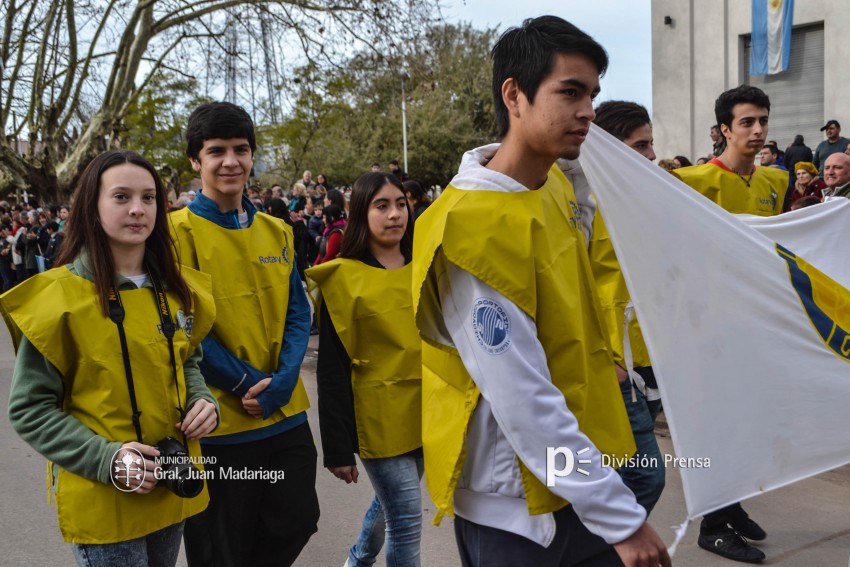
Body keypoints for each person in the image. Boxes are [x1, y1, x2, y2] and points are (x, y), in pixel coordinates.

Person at [412, 16, 670, 567]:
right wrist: (621, 519)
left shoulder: (550, 182)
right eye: (570, 92)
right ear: (515, 95)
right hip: (516, 508)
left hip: (576, 482)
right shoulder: (471, 225)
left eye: (593, 95)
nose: (588, 112)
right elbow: (520, 396)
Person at [2, 150, 219, 566]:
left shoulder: (175, 289)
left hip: (169, 486)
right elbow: (30, 409)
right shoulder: (58, 299)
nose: (138, 209)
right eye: (121, 197)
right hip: (102, 493)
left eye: (149, 197)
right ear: (93, 206)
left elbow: (187, 361)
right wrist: (110, 459)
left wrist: (203, 401)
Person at [169, 102, 319, 567]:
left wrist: (284, 380)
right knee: (222, 548)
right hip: (218, 423)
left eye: (240, 149)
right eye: (216, 151)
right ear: (196, 161)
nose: (230, 161)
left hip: (284, 414)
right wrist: (243, 384)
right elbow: (182, 325)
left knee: (298, 518)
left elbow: (298, 313)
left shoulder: (278, 230)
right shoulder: (174, 233)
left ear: (253, 156)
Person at [675, 84, 786, 563]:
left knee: (749, 421)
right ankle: (713, 526)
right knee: (718, 425)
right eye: (747, 122)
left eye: (762, 120)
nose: (758, 130)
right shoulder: (692, 181)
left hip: (755, 325)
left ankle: (732, 505)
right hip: (707, 330)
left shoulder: (776, 182)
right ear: (724, 129)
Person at [308, 172, 424, 567]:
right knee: (406, 518)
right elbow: (332, 371)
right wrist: (338, 449)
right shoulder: (343, 278)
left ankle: (357, 559)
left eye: (399, 204)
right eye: (381, 206)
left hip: (427, 412)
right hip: (378, 418)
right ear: (361, 213)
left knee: (392, 505)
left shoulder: (426, 265)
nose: (395, 214)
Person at [588, 100, 665, 516]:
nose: (652, 155)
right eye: (641, 145)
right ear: (611, 149)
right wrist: (607, 360)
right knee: (645, 476)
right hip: (616, 367)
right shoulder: (583, 204)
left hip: (652, 361)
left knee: (618, 474)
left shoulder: (650, 200)